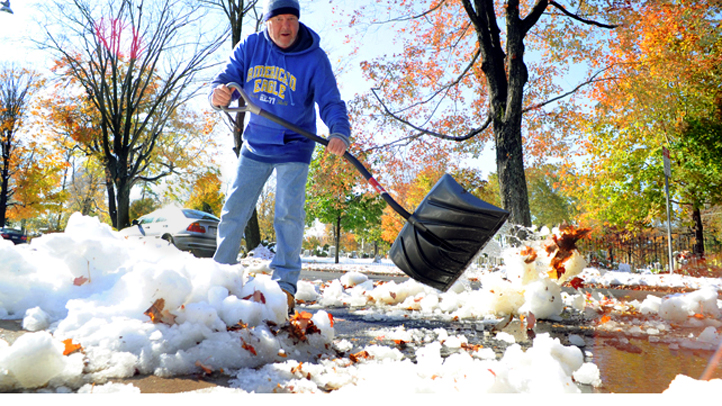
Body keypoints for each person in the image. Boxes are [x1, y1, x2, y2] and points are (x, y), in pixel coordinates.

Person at [209, 0, 351, 315]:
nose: (286, 26)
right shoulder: (251, 46)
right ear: (267, 22)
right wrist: (219, 92)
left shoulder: (315, 58)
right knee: (234, 210)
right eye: (279, 19)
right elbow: (228, 79)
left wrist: (339, 132)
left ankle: (284, 288)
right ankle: (219, 279)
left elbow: (331, 101)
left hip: (295, 145)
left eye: (291, 19)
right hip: (256, 144)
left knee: (288, 214)